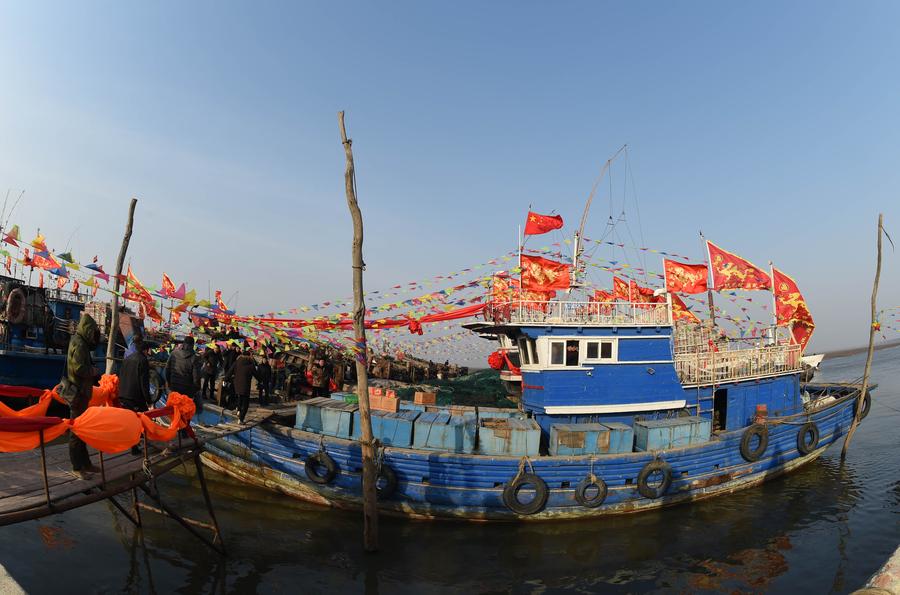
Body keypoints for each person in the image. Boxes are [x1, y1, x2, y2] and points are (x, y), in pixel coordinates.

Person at [62, 314, 102, 475]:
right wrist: (92, 371)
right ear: (87, 330)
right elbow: (78, 368)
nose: (94, 336)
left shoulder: (80, 342)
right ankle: (77, 467)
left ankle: (86, 463)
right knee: (76, 432)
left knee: (82, 429)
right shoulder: (79, 344)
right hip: (78, 393)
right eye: (92, 332)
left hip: (82, 392)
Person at [118, 335, 151, 455]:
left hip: (123, 394)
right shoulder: (143, 360)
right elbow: (144, 383)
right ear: (145, 350)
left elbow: (120, 375)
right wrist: (149, 399)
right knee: (143, 419)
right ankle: (135, 446)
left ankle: (134, 443)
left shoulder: (127, 358)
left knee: (130, 421)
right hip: (135, 397)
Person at [166, 336, 202, 416]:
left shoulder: (174, 353)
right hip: (187, 389)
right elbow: (196, 377)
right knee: (184, 412)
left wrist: (169, 383)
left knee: (174, 410)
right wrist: (195, 390)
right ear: (192, 345)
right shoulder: (194, 357)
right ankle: (182, 427)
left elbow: (167, 369)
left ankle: (174, 426)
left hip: (174, 386)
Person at [226, 349, 257, 423]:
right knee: (245, 402)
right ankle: (241, 419)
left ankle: (238, 409)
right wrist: (261, 381)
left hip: (237, 384)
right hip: (246, 385)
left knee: (240, 396)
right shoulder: (251, 365)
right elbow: (256, 374)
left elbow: (230, 371)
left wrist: (225, 379)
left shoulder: (237, 362)